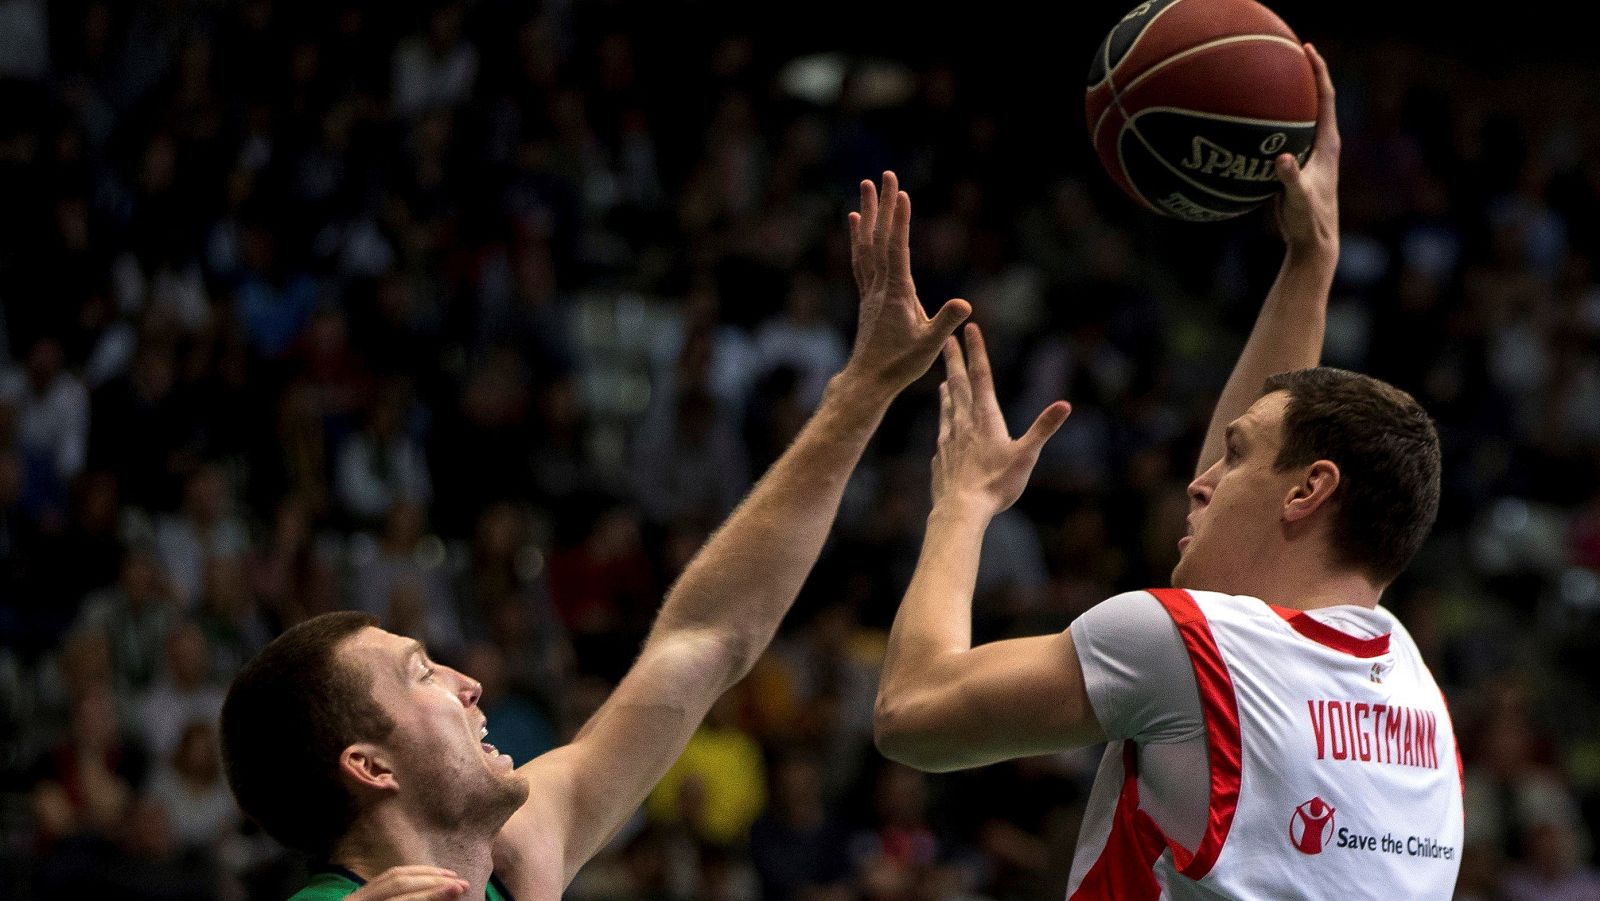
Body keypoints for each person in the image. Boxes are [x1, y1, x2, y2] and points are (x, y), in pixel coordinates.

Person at [219, 172, 971, 901]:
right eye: (423, 673)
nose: (469, 681)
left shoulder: (514, 860)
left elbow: (704, 635)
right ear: (370, 765)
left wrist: (861, 391)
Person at [872, 46, 1465, 899]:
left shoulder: (1184, 647)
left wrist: (962, 506)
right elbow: (1258, 513)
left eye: (1234, 456)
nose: (1199, 479)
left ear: (1309, 490)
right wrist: (1310, 262)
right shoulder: (1417, 697)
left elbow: (911, 712)